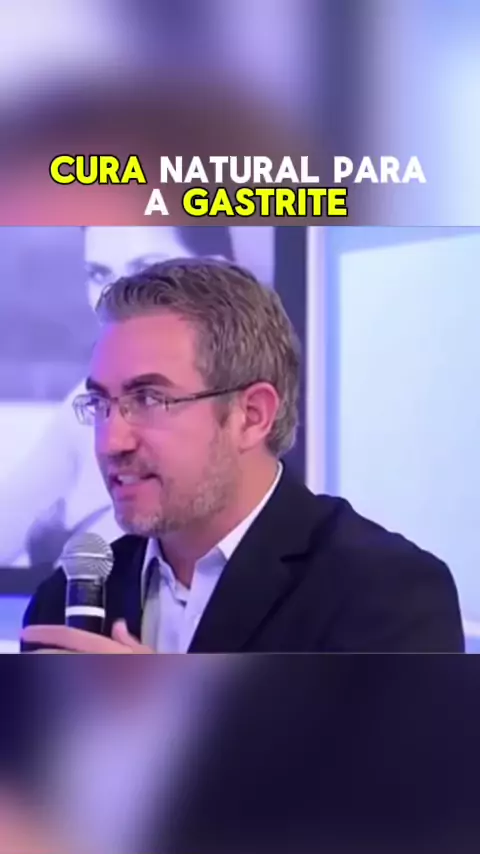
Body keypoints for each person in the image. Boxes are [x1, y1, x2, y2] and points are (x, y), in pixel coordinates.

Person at [21, 257, 464, 652]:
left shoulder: (387, 594)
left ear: (251, 416)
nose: (110, 442)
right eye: (100, 403)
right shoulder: (61, 604)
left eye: (150, 399)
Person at [0, 225, 235, 568]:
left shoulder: (269, 413)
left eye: (146, 270)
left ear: (218, 277)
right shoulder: (85, 411)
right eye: (99, 274)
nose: (114, 300)